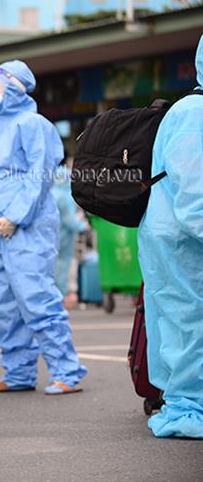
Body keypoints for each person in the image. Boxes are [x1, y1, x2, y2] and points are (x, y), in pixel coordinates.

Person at [0, 61, 87, 395]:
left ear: (17, 87)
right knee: (4, 303)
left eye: (0, 84)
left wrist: (17, 215)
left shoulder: (34, 124)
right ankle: (18, 371)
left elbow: (40, 174)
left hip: (23, 227)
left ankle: (66, 369)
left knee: (36, 296)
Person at [137, 34, 203, 438]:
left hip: (174, 232)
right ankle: (186, 407)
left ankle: (185, 400)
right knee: (187, 321)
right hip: (181, 236)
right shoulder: (195, 113)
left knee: (181, 319)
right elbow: (195, 191)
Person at [51, 159, 87, 308]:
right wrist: (83, 226)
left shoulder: (51, 193)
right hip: (65, 237)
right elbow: (70, 221)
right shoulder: (65, 196)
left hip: (50, 235)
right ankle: (62, 296)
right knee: (63, 266)